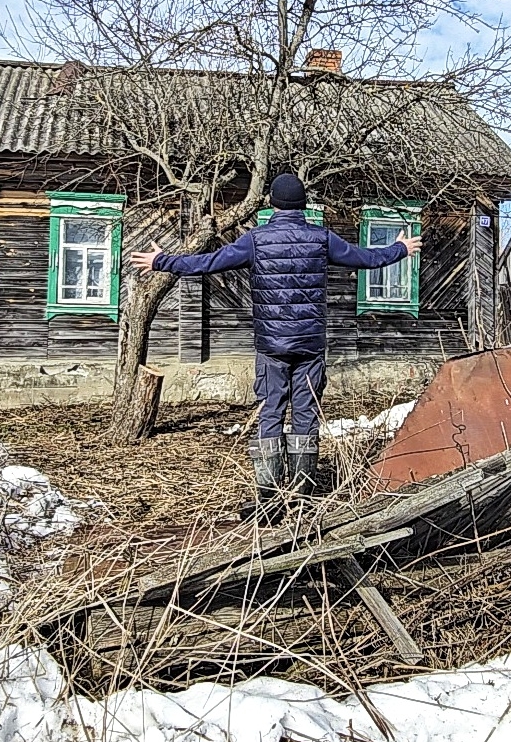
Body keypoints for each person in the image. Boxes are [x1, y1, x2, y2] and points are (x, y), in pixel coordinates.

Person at [130, 173, 421, 524]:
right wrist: (399, 249)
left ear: (272, 204)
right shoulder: (321, 238)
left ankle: (269, 500)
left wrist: (163, 261)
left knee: (270, 412)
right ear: (303, 205)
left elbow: (207, 263)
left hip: (271, 346)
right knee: (306, 414)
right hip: (310, 345)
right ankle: (302, 496)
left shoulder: (256, 240)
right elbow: (365, 258)